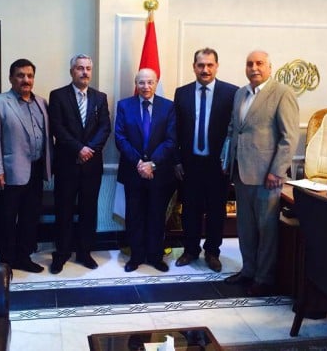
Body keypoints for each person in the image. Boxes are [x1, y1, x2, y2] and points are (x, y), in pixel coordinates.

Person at [223, 50, 299, 296]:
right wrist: (226, 158)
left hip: (268, 176)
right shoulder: (240, 93)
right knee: (246, 227)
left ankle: (264, 279)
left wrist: (277, 171)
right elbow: (234, 129)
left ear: (269, 67)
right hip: (241, 172)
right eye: (250, 64)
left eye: (259, 63)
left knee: (267, 230)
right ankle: (248, 271)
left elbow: (289, 137)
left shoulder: (282, 93)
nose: (254, 68)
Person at [0, 59, 53, 273]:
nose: (26, 80)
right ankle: (6, 260)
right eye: (21, 75)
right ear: (11, 78)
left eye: (30, 76)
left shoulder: (41, 102)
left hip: (36, 169)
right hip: (10, 171)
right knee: (6, 217)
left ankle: (23, 257)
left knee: (30, 216)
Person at [173, 48, 238, 272]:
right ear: (194, 67)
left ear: (216, 66)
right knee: (190, 209)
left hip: (217, 165)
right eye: (201, 65)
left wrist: (229, 161)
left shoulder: (231, 93)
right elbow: (175, 130)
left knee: (216, 210)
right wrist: (176, 161)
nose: (205, 69)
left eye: (210, 65)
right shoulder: (182, 93)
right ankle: (190, 250)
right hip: (190, 163)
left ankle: (212, 252)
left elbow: (234, 131)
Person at [48, 54, 111, 274]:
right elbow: (57, 127)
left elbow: (105, 127)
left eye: (88, 69)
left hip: (92, 165)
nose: (84, 72)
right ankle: (62, 253)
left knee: (88, 210)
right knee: (63, 210)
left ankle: (85, 252)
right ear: (71, 71)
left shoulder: (100, 97)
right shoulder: (58, 96)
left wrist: (89, 149)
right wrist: (78, 148)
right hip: (67, 164)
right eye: (79, 68)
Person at [115, 68, 177, 272]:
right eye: (141, 82)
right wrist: (140, 163)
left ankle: (155, 256)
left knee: (156, 215)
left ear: (156, 83)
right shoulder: (124, 105)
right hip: (133, 171)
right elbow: (120, 138)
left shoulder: (168, 107)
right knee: (134, 216)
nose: (146, 86)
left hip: (159, 173)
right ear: (136, 84)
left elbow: (171, 140)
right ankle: (136, 256)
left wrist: (152, 164)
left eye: (150, 82)